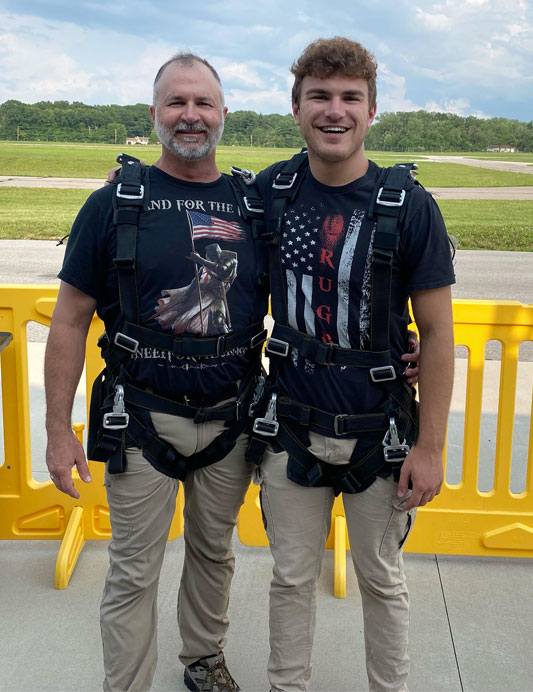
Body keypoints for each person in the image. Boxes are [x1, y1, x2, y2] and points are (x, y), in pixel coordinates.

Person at [44, 53, 270, 692]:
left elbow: (318, 292)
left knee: (213, 553)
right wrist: (58, 432)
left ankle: (202, 658)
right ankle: (127, 684)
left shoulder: (252, 207)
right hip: (141, 417)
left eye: (203, 103)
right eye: (177, 102)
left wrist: (399, 347)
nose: (190, 115)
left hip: (230, 418)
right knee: (133, 571)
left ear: (224, 114)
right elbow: (68, 323)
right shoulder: (115, 203)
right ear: (154, 115)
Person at [250, 37, 455, 692]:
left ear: (370, 112)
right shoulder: (271, 193)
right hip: (291, 421)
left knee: (381, 580)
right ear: (295, 107)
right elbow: (202, 212)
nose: (333, 110)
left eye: (348, 98)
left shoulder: (406, 205)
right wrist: (122, 190)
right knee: (288, 577)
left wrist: (430, 448)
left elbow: (440, 333)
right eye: (319, 96)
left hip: (380, 430)